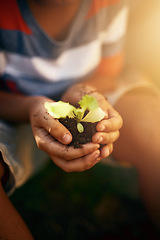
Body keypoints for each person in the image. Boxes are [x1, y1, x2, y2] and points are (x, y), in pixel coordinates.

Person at [0, 0, 160, 239]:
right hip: (13, 112)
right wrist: (30, 108)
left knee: (152, 124)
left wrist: (86, 91)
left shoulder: (108, 3)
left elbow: (108, 72)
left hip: (90, 98)